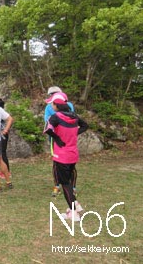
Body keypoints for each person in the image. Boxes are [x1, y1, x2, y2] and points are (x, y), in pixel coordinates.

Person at [44, 93, 88, 221]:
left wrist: (57, 138)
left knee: (65, 184)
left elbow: (47, 129)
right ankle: (75, 206)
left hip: (61, 156)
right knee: (68, 181)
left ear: (56, 105)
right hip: (73, 154)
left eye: (52, 104)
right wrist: (74, 133)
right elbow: (85, 125)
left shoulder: (55, 117)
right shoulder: (74, 116)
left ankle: (74, 214)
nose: (52, 106)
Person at [44, 86, 77, 197]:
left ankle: (62, 187)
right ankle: (66, 186)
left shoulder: (52, 106)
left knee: (59, 163)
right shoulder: (68, 105)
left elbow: (48, 121)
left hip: (59, 138)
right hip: (68, 137)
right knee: (68, 163)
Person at [0, 98, 12, 179]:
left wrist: (5, 130)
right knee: (0, 153)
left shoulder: (0, 111)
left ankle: (7, 172)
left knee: (2, 153)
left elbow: (10, 119)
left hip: (3, 135)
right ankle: (4, 170)